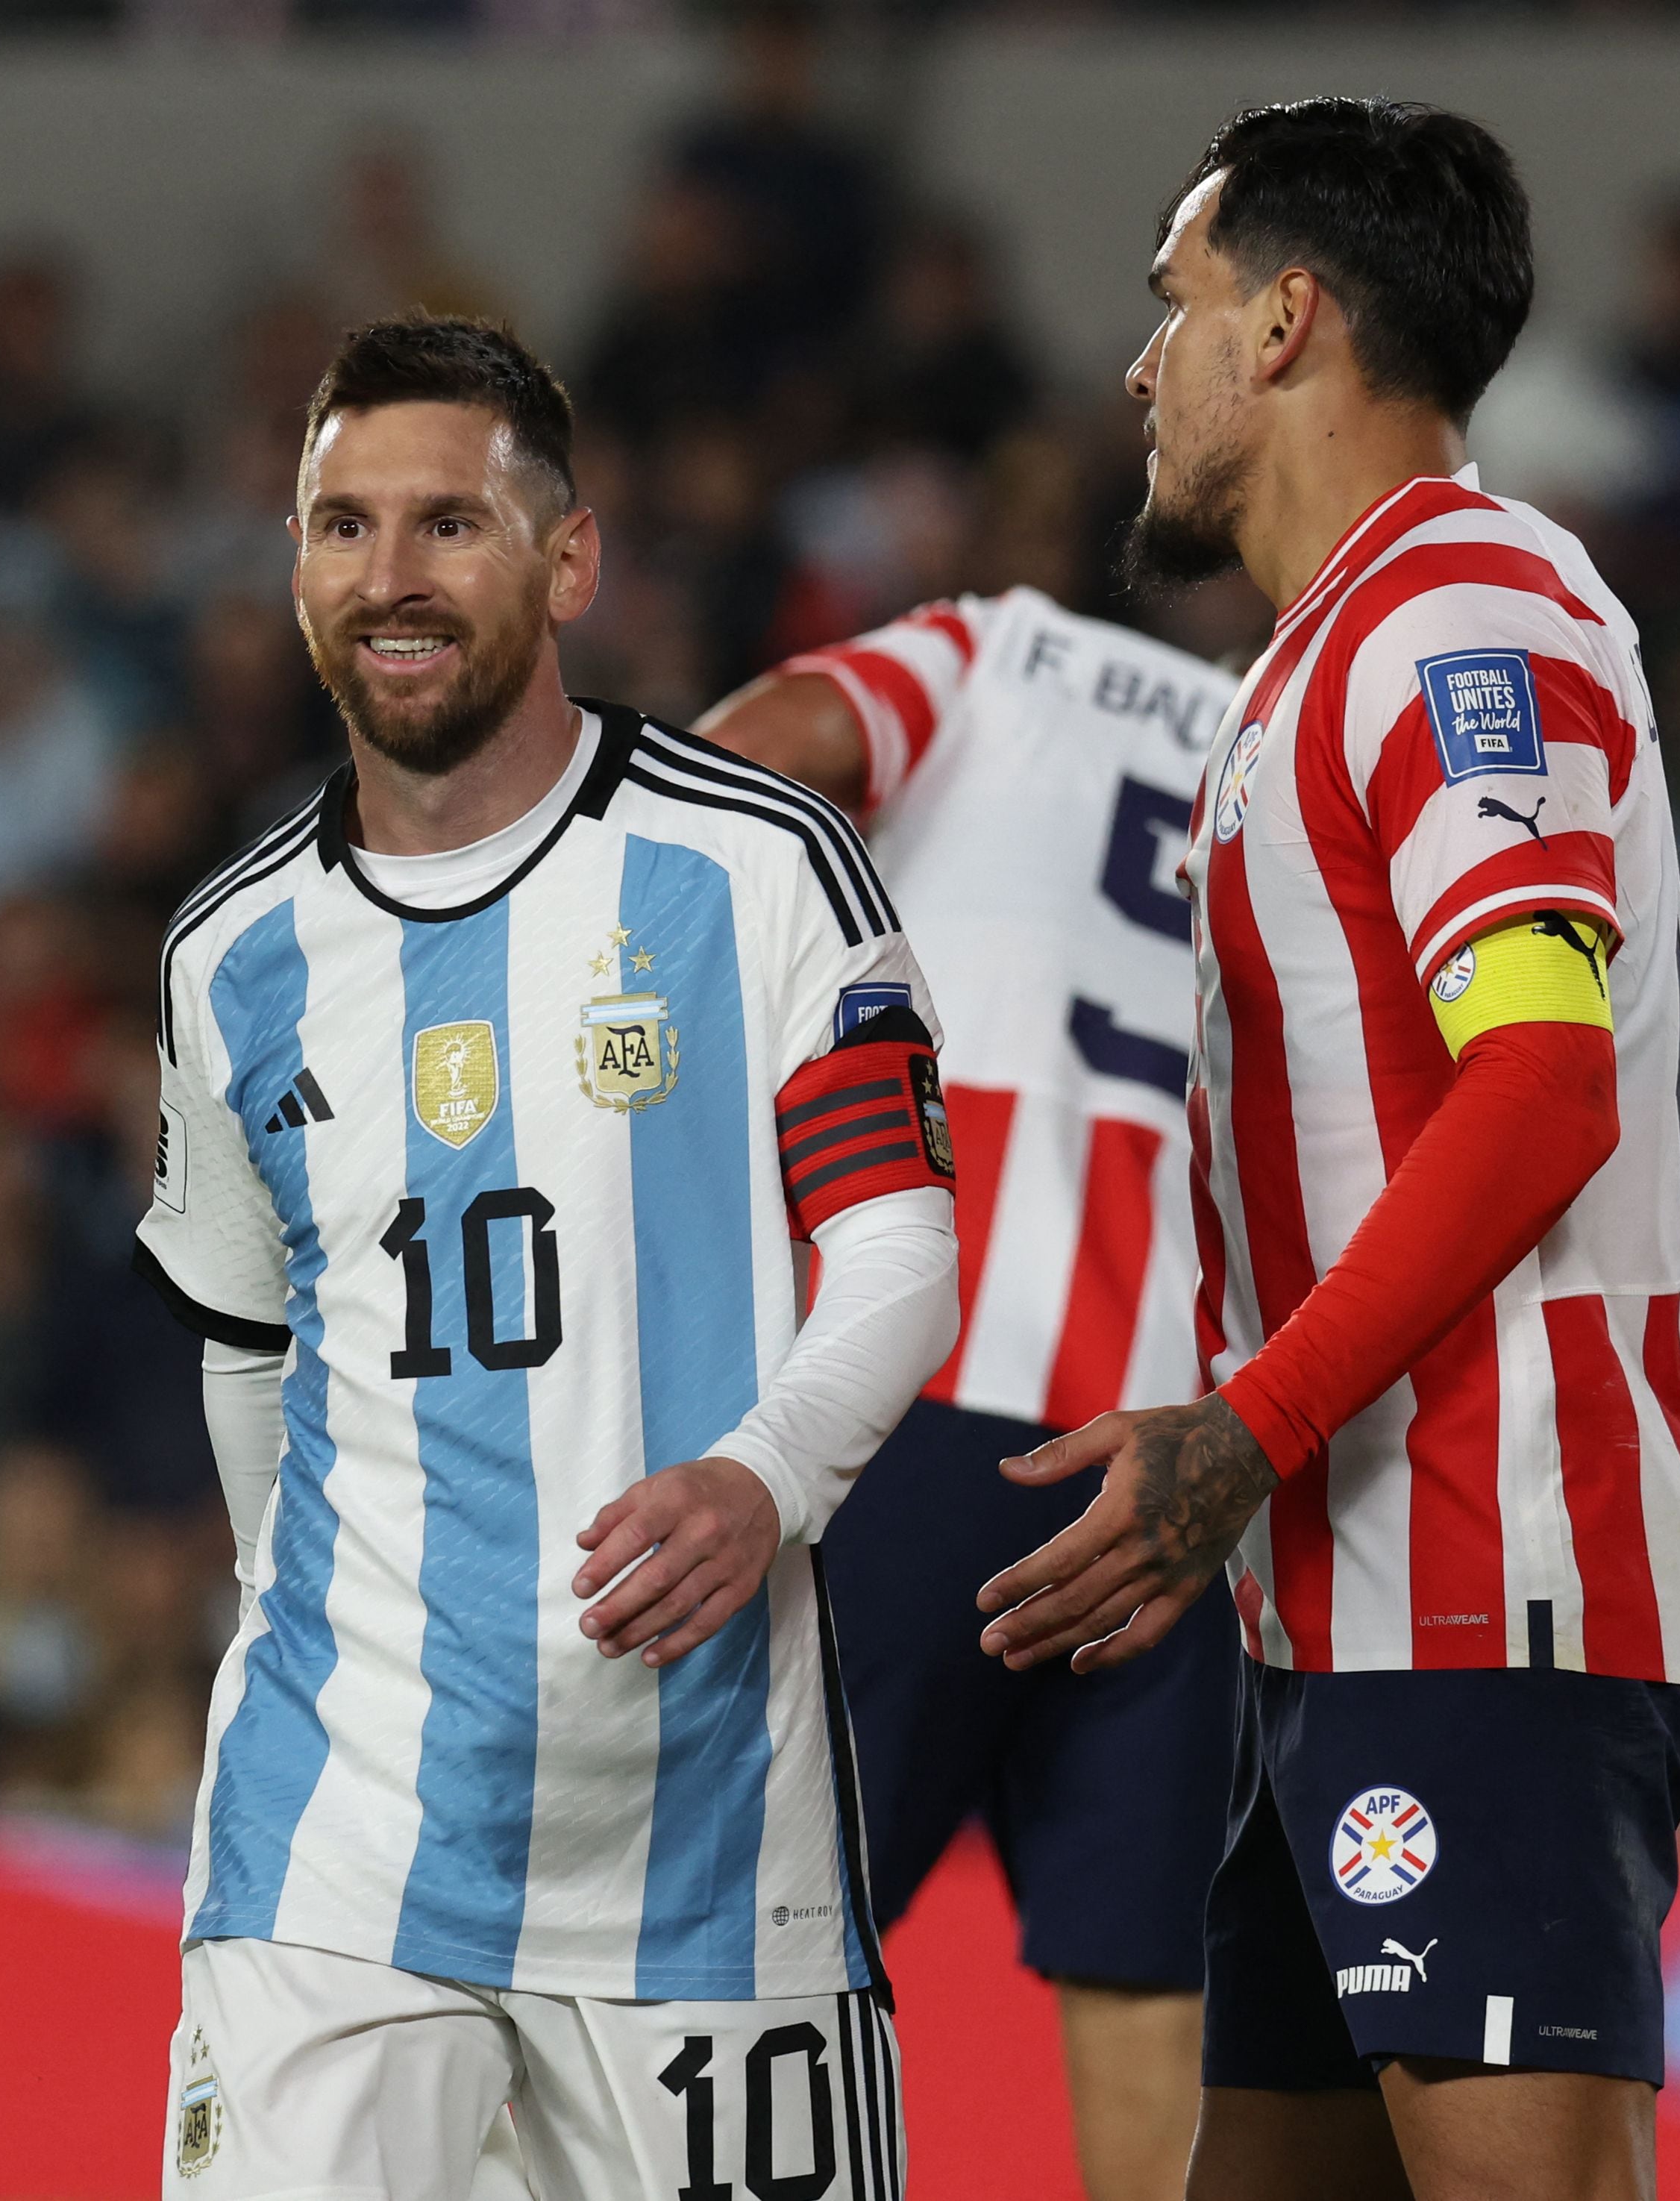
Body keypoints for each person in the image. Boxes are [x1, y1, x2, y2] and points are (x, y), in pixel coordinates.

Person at [974, 101, 1680, 2201]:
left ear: (1290, 318)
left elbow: (1545, 1086)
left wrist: (1248, 1417)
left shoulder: (1455, 619)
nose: (1145, 367)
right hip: (1343, 1603)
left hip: (1496, 1590)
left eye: (1178, 307)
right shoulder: (1314, 660)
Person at [135, 313, 957, 2200]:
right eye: (339, 527)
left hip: (701, 1846)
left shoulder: (757, 868)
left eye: (446, 525)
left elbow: (898, 1241)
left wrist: (768, 1474)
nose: (387, 578)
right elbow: (247, 1342)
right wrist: (310, 1606)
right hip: (335, 1831)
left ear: (567, 559)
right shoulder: (228, 956)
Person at [697, 588, 1246, 2201]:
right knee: (1146, 1975)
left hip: (920, 1399)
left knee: (760, 1927)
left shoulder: (1000, 650)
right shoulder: (1313, 756)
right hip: (1183, 1448)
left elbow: (764, 752)